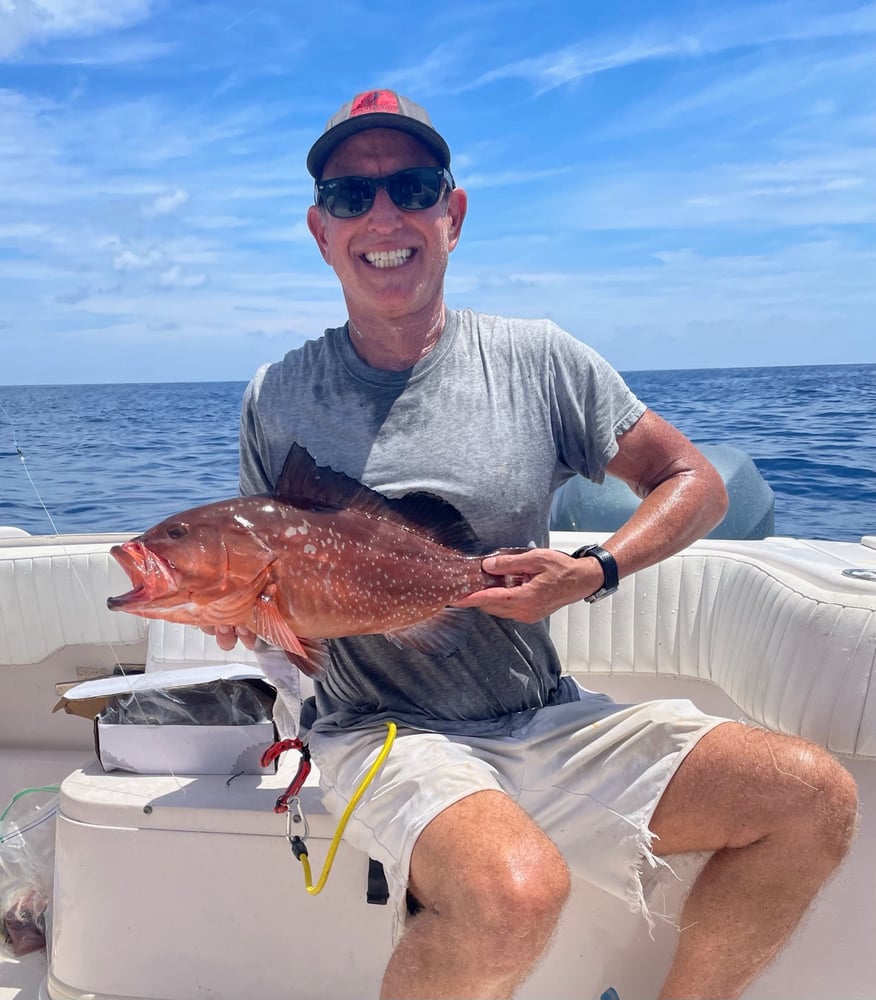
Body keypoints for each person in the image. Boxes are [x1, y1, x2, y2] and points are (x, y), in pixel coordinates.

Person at [212, 90, 858, 1000]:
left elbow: (696, 482)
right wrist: (249, 615)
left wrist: (592, 570)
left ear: (453, 212)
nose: (384, 215)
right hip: (380, 731)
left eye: (413, 185)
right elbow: (265, 564)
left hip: (547, 712)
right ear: (322, 232)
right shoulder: (276, 395)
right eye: (352, 197)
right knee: (515, 891)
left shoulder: (541, 359)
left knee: (811, 797)